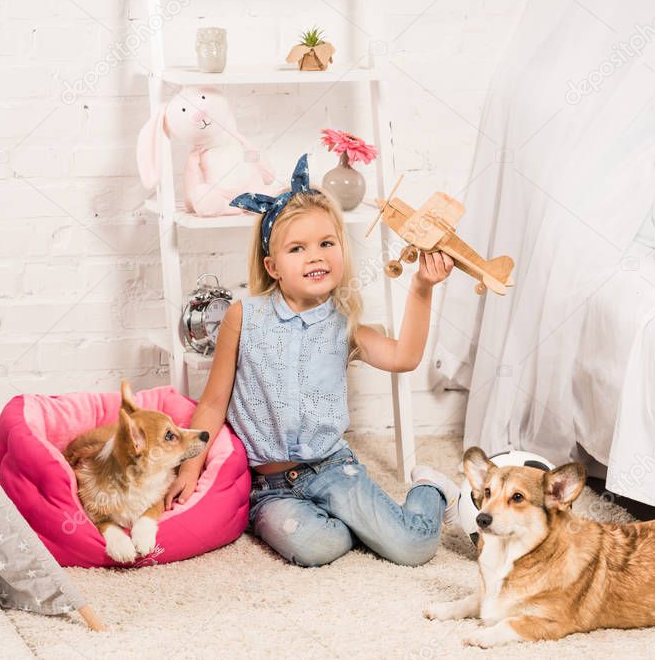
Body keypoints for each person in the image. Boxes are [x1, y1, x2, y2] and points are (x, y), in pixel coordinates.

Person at [165, 154, 459, 567]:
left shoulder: (344, 324)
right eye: (297, 248)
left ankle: (431, 488)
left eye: (326, 243)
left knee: (413, 547)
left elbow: (404, 357)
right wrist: (190, 467)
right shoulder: (243, 316)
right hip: (268, 487)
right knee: (316, 547)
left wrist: (423, 287)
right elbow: (213, 403)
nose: (315, 256)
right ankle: (353, 524)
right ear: (273, 266)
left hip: (332, 468)